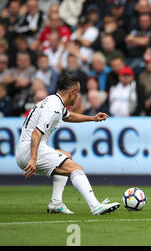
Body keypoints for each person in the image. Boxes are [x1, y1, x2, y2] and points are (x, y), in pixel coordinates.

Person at [15, 73, 120, 215]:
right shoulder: (53, 107)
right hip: (31, 149)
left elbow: (69, 116)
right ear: (71, 92)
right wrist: (33, 158)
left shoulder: (54, 101)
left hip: (26, 149)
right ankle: (95, 206)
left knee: (66, 156)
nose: (77, 97)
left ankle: (56, 203)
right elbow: (36, 133)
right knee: (75, 168)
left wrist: (93, 118)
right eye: (77, 93)